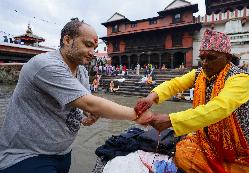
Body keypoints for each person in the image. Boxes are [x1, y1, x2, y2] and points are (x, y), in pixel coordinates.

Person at [0, 18, 148, 173]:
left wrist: (90, 114)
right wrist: (138, 115)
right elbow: (89, 103)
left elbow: (85, 105)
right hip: (26, 156)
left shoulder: (82, 71)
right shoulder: (45, 65)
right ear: (67, 39)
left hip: (63, 153)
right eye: (88, 45)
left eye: (95, 47)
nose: (92, 53)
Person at [135, 29, 249, 172]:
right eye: (202, 58)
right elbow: (175, 84)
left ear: (228, 58)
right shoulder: (200, 73)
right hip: (210, 141)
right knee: (182, 153)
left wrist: (170, 120)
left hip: (241, 149)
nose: (205, 63)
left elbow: (218, 108)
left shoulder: (241, 80)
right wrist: (150, 98)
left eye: (211, 58)